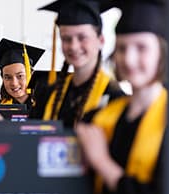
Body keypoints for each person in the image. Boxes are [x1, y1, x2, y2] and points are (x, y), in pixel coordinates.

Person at [75, 0, 168, 194]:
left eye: (142, 48)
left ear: (161, 54)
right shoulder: (102, 118)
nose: (129, 58)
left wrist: (103, 163)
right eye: (123, 47)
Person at [36, 0, 124, 128]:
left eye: (82, 37)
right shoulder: (49, 94)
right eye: (66, 39)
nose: (74, 46)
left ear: (101, 40)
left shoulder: (115, 98)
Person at [0, 38, 46, 111]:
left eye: (20, 76)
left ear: (31, 75)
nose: (14, 83)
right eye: (8, 77)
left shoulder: (45, 105)